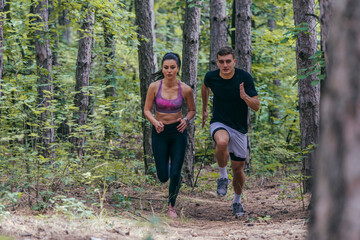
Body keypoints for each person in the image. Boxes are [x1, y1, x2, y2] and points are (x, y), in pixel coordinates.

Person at [201, 46, 259, 218]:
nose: (225, 65)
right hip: (219, 122)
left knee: (238, 170)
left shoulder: (244, 78)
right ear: (217, 62)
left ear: (234, 61)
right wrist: (205, 109)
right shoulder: (211, 77)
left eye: (228, 61)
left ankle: (237, 201)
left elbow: (256, 106)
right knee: (221, 142)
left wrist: (245, 97)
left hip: (239, 128)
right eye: (221, 62)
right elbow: (205, 88)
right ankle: (222, 177)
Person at [144, 52, 196, 218]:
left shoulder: (185, 89)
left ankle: (171, 207)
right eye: (166, 67)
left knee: (175, 173)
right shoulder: (154, 87)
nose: (169, 70)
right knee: (162, 175)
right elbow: (146, 110)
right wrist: (155, 122)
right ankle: (166, 171)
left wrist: (186, 120)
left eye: (172, 67)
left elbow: (192, 110)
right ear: (162, 68)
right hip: (160, 131)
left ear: (178, 68)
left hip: (178, 132)